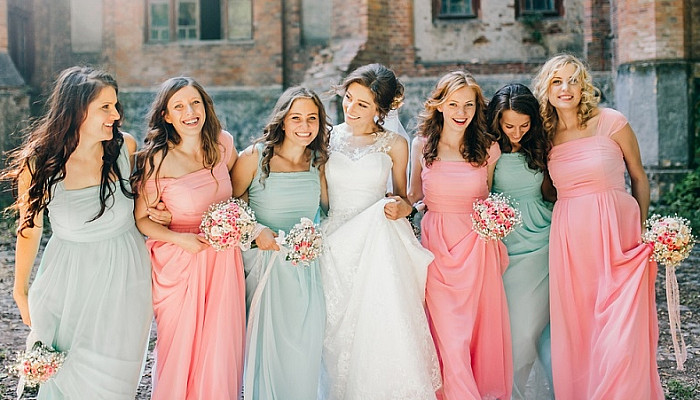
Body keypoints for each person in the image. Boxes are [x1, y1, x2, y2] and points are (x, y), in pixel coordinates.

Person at [2, 66, 152, 398]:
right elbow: (31, 228)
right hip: (68, 281)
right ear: (77, 109)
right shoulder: (39, 163)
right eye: (105, 107)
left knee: (113, 376)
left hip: (125, 278)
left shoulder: (124, 148)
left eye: (116, 105)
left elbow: (146, 203)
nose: (115, 114)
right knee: (67, 374)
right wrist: (21, 290)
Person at [532, 54, 662, 399]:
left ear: (584, 86)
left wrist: (643, 231)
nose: (566, 88)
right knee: (581, 323)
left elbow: (639, 177)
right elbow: (547, 189)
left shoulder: (612, 122)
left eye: (573, 80)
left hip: (619, 232)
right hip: (571, 237)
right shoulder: (544, 137)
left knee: (623, 322)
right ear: (546, 88)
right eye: (557, 81)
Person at [320, 63, 441, 399]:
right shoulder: (327, 137)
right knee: (335, 331)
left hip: (376, 243)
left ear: (380, 110)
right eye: (349, 98)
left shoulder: (394, 144)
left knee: (376, 326)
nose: (351, 108)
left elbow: (402, 195)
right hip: (335, 240)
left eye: (363, 104)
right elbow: (319, 193)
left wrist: (403, 208)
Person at [132, 77, 245, 399]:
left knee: (220, 343)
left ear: (205, 106)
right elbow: (142, 219)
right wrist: (181, 239)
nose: (189, 112)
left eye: (195, 102)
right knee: (179, 344)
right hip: (179, 259)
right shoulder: (156, 158)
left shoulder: (224, 144)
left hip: (223, 258)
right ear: (166, 116)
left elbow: (238, 191)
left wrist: (236, 221)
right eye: (178, 106)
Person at [408, 70, 512, 400]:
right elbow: (412, 196)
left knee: (472, 333)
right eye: (453, 104)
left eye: (468, 105)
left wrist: (497, 218)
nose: (461, 112)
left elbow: (492, 194)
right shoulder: (422, 146)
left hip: (478, 247)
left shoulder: (489, 149)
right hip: (436, 247)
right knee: (448, 336)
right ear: (439, 105)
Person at [231, 86, 330, 399]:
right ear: (283, 121)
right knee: (268, 348)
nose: (304, 125)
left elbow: (329, 212)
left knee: (305, 346)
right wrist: (257, 229)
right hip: (265, 267)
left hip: (306, 268)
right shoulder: (254, 157)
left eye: (312, 118)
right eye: (296, 117)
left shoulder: (319, 162)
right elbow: (229, 206)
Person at [487, 83, 554, 399]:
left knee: (531, 329)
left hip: (542, 240)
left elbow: (550, 191)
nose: (516, 132)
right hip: (503, 243)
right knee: (510, 331)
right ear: (497, 120)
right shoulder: (489, 149)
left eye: (524, 125)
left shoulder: (540, 145)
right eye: (509, 125)